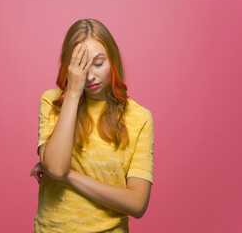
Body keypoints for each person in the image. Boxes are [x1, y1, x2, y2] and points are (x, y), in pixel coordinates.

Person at [29, 18, 155, 233]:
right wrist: (73, 94)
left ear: (113, 60)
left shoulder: (139, 117)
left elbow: (137, 204)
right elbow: (57, 166)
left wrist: (68, 175)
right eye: (81, 67)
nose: (89, 76)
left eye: (98, 63)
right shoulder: (52, 102)